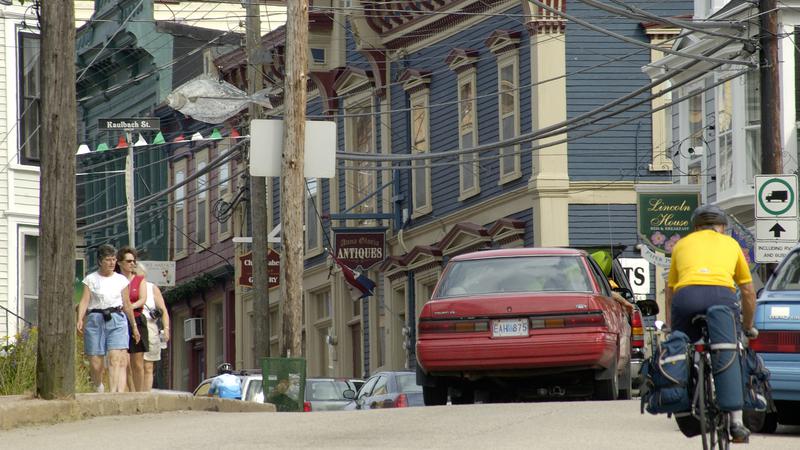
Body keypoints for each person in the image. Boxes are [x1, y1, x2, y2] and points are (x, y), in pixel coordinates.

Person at [665, 204, 756, 443]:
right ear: (723, 227)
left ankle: (690, 381)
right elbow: (747, 290)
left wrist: (670, 326)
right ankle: (736, 423)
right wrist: (747, 327)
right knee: (732, 349)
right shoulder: (732, 244)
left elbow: (670, 291)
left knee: (683, 346)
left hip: (686, 299)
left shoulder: (681, 245)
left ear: (695, 227)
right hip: (721, 297)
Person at [77, 244, 140, 393]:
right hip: (95, 318)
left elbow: (127, 304)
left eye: (113, 259)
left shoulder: (121, 280)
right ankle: (98, 385)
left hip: (116, 318)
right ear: (100, 261)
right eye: (108, 260)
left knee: (115, 358)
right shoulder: (90, 279)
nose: (112, 263)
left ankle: (112, 394)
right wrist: (80, 318)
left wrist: (134, 326)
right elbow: (85, 300)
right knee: (95, 362)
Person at [118, 246, 149, 392]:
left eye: (133, 261)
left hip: (137, 318)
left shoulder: (139, 279)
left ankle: (140, 392)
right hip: (120, 320)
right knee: (125, 362)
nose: (132, 264)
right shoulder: (116, 280)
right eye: (129, 261)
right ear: (120, 263)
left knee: (137, 362)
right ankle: (129, 391)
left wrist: (130, 306)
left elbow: (143, 299)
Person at [137, 264, 170, 391]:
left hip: (150, 327)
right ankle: (134, 393)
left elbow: (163, 310)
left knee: (148, 365)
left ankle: (146, 395)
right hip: (133, 326)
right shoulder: (126, 287)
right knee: (134, 365)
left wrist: (166, 328)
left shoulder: (152, 288)